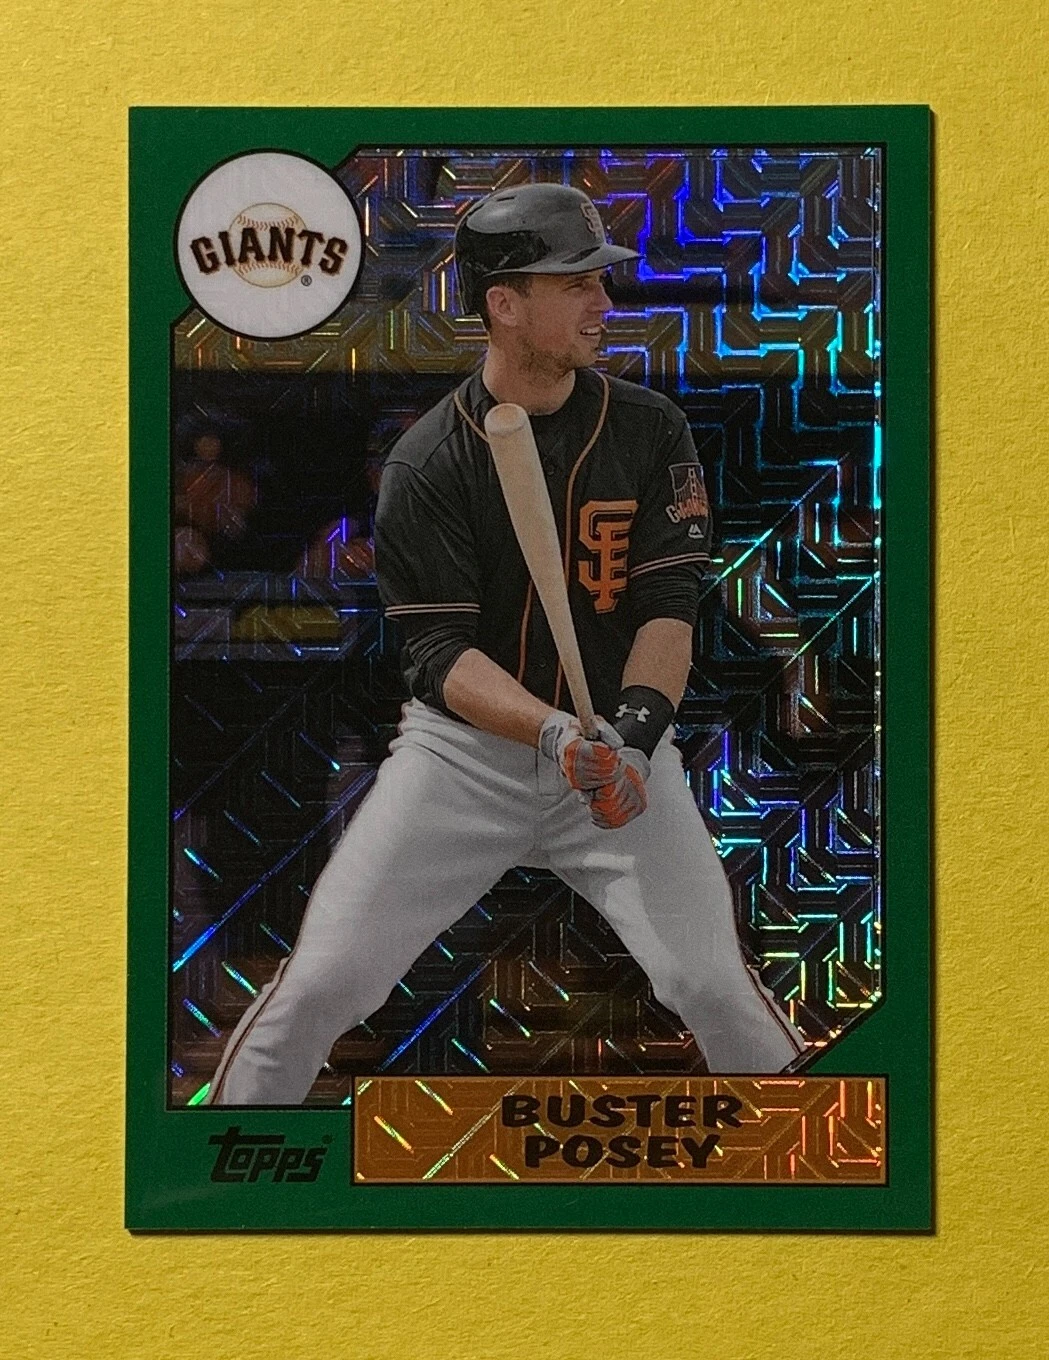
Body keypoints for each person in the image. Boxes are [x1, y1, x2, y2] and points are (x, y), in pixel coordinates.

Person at [206, 182, 805, 1104]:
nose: (602, 301)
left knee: (712, 987)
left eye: (598, 280)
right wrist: (554, 733)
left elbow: (667, 607)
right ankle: (215, 1157)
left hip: (622, 750)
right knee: (323, 986)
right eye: (575, 283)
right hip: (462, 761)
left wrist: (632, 736)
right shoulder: (427, 461)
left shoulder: (648, 429)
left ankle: (811, 1161)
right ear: (504, 304)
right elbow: (440, 655)